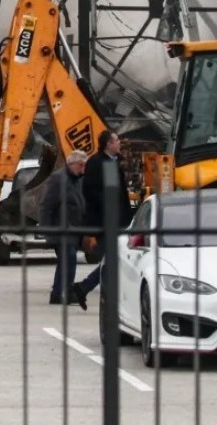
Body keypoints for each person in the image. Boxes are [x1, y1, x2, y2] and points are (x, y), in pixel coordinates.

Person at [73, 130, 133, 308]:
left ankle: (84, 287)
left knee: (115, 259)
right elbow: (91, 192)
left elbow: (119, 194)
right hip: (103, 221)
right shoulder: (96, 163)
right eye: (116, 141)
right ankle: (84, 287)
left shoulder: (115, 162)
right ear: (108, 144)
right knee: (114, 259)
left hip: (118, 219)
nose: (119, 143)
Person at [38, 150, 89, 306]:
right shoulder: (58, 179)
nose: (83, 169)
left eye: (84, 165)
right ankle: (61, 292)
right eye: (81, 165)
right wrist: (48, 231)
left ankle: (59, 292)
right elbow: (46, 206)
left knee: (66, 262)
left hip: (74, 230)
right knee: (69, 259)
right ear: (71, 163)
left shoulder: (78, 180)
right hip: (60, 230)